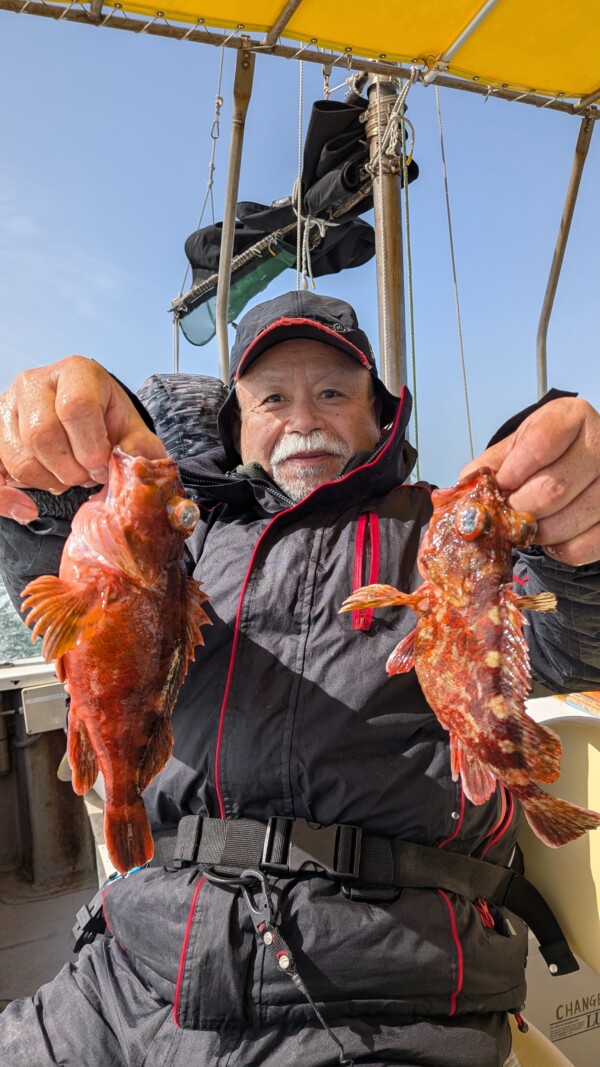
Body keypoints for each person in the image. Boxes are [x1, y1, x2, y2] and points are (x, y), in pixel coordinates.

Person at [0, 290, 599, 1067]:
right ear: (237, 424)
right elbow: (66, 602)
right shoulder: (178, 537)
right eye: (273, 398)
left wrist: (575, 539)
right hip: (130, 973)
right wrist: (39, 476)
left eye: (332, 393)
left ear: (382, 418)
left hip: (380, 991)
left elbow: (571, 640)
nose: (303, 418)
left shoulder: (441, 530)